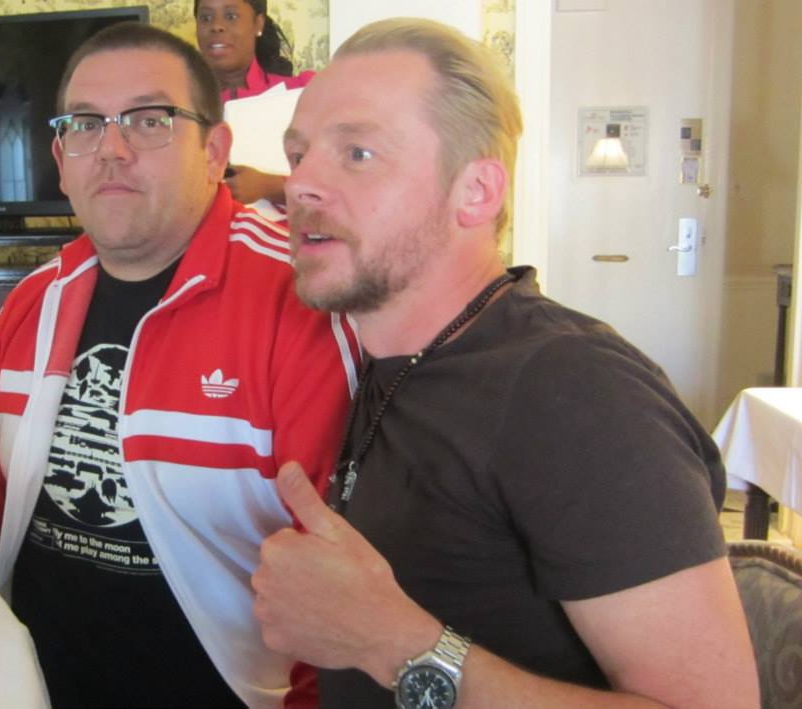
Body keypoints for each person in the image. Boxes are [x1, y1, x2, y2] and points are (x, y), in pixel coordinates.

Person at [251, 18, 759, 709]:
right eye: (298, 153)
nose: (301, 183)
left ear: (477, 192)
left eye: (358, 153)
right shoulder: (384, 360)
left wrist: (394, 643)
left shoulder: (575, 391)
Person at [0, 23, 358, 709]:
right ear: (60, 159)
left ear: (215, 151)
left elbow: (346, 574)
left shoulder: (297, 304)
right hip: (26, 678)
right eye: (87, 124)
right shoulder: (38, 296)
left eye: (150, 120)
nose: (112, 149)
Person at [195, 0, 314, 204]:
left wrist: (272, 186)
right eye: (206, 18)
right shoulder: (181, 104)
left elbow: (338, 179)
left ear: (258, 23)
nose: (216, 26)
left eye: (231, 16)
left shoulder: (303, 92)